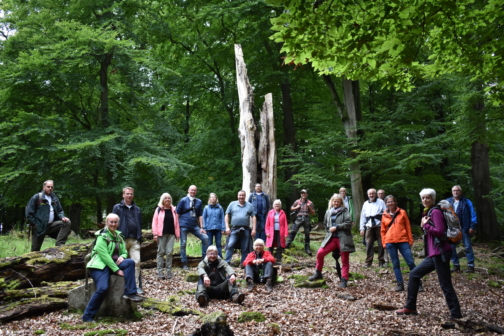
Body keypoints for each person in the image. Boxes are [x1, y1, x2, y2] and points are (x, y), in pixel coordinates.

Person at [396, 188, 462, 319]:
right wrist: (425, 225)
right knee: (414, 274)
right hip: (433, 254)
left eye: (427, 198)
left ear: (433, 199)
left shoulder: (436, 212)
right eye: (423, 198)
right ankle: (410, 307)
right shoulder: (429, 212)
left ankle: (456, 315)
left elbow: (439, 231)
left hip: (441, 253)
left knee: (445, 284)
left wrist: (425, 225)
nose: (425, 200)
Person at [82, 214, 144, 322]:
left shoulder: (118, 236)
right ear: (106, 223)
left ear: (118, 224)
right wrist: (116, 269)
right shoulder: (102, 236)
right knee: (102, 288)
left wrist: (122, 256)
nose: (113, 224)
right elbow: (104, 256)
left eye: (115, 222)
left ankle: (130, 293)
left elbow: (124, 251)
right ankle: (87, 316)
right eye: (111, 222)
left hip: (113, 264)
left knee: (129, 262)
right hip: (99, 266)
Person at [309, 194, 354, 288]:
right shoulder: (328, 211)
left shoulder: (345, 211)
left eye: (338, 201)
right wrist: (330, 231)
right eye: (334, 201)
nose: (336, 203)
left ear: (341, 202)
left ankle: (344, 280)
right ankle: (318, 273)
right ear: (332, 202)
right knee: (320, 253)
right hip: (331, 238)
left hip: (343, 238)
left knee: (344, 260)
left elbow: (348, 223)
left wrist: (337, 227)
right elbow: (325, 224)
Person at [381, 195, 423, 292]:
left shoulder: (402, 212)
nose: (390, 203)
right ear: (386, 204)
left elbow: (408, 226)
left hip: (403, 240)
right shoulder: (384, 215)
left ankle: (418, 283)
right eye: (388, 202)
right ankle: (400, 284)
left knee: (410, 262)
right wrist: (384, 243)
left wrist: (410, 239)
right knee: (395, 264)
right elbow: (382, 231)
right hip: (390, 242)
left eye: (392, 201)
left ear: (395, 202)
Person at [112, 187, 143, 293]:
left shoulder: (137, 209)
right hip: (122, 240)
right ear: (123, 195)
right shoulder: (117, 208)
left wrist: (139, 237)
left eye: (131, 194)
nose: (129, 195)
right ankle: (122, 285)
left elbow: (139, 223)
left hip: (135, 239)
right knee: (121, 262)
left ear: (133, 195)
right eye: (127, 193)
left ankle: (136, 286)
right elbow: (113, 223)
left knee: (136, 262)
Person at [26, 180, 71, 252]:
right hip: (39, 227)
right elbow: (29, 213)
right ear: (43, 187)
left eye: (52, 187)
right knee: (35, 251)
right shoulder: (37, 197)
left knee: (67, 223)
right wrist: (34, 224)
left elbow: (60, 211)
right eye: (48, 187)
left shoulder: (55, 198)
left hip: (51, 225)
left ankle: (59, 246)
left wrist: (62, 216)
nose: (50, 188)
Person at [176, 185, 209, 270]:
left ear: (196, 191)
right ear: (188, 190)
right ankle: (184, 263)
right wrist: (176, 227)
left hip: (194, 226)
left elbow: (200, 215)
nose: (193, 192)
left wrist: (202, 227)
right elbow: (177, 214)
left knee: (205, 238)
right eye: (191, 190)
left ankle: (204, 261)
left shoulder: (199, 201)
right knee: (183, 244)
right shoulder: (183, 200)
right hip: (183, 225)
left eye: (194, 190)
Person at [446, 185, 477, 273]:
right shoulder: (448, 202)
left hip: (464, 227)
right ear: (452, 192)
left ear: (461, 192)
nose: (456, 192)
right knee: (451, 247)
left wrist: (472, 226)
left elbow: (473, 214)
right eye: (454, 190)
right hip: (452, 228)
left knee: (467, 246)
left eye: (457, 190)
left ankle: (470, 266)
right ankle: (456, 265)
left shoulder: (467, 202)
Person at [152, 193, 180, 279]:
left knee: (169, 252)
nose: (167, 199)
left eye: (169, 198)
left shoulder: (174, 210)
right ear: (162, 200)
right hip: (161, 234)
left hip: (171, 234)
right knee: (161, 252)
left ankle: (168, 271)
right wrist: (155, 234)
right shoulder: (159, 209)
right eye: (165, 198)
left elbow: (177, 223)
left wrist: (177, 234)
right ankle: (160, 271)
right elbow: (154, 222)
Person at [224, 190, 256, 264]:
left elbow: (253, 217)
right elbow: (227, 215)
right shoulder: (232, 204)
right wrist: (227, 227)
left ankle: (243, 263)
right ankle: (226, 262)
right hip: (234, 228)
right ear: (237, 196)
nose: (241, 197)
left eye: (243, 195)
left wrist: (254, 229)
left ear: (245, 196)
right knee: (230, 245)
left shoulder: (249, 205)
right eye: (240, 195)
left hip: (246, 229)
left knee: (245, 247)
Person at [360, 188, 386, 267]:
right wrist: (361, 228)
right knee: (368, 244)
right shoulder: (365, 204)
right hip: (369, 226)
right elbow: (363, 216)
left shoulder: (381, 202)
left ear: (375, 194)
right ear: (368, 195)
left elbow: (385, 213)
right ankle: (368, 262)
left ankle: (381, 261)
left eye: (373, 193)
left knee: (381, 244)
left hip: (379, 226)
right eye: (370, 194)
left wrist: (385, 225)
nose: (371, 195)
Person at [286, 189, 316, 256]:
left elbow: (313, 213)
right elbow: (291, 208)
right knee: (293, 231)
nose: (303, 194)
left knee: (307, 234)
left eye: (304, 193)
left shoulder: (310, 203)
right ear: (300, 194)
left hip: (306, 218)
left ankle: (307, 248)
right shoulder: (297, 201)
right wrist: (296, 207)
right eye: (302, 193)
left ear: (307, 194)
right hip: (299, 218)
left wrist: (309, 207)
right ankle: (287, 244)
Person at [203, 193, 225, 258]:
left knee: (218, 244)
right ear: (209, 199)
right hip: (209, 228)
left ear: (216, 199)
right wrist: (204, 228)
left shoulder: (220, 208)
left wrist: (223, 228)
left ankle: (219, 257)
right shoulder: (206, 208)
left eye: (214, 197)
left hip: (218, 228)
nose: (213, 198)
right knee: (209, 244)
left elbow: (222, 218)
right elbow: (203, 218)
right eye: (211, 197)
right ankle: (208, 257)